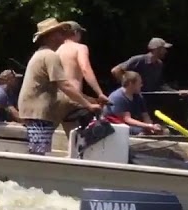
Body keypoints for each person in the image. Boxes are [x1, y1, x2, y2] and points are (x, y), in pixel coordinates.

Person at [18, 18, 101, 155]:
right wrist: (88, 105)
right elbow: (65, 85)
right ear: (50, 36)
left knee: (39, 151)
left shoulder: (42, 53)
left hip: (35, 108)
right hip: (38, 111)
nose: (63, 36)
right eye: (59, 33)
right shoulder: (50, 56)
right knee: (38, 153)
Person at [53, 21, 109, 106]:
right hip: (73, 98)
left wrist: (91, 99)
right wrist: (100, 93)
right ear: (76, 33)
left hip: (57, 96)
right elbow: (85, 69)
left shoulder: (56, 51)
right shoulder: (80, 48)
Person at [111, 38, 188, 96]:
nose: (166, 51)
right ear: (157, 49)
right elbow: (115, 70)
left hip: (147, 99)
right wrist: (128, 88)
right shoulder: (138, 60)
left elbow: (160, 85)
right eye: (164, 49)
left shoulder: (159, 64)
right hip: (132, 98)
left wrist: (176, 92)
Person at [105, 71, 163, 136]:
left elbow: (145, 115)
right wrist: (148, 126)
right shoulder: (118, 97)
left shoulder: (138, 96)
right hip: (115, 125)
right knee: (142, 133)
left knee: (161, 131)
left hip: (130, 125)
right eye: (139, 83)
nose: (142, 85)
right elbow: (127, 119)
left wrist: (151, 127)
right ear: (130, 83)